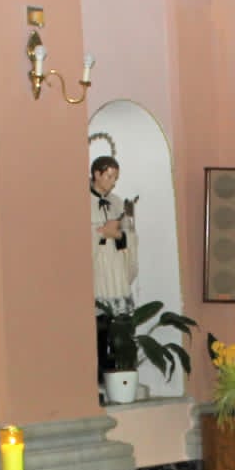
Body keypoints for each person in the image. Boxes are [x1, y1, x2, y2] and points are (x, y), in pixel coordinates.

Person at [90, 155, 138, 382]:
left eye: (115, 178)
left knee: (117, 332)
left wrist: (119, 235)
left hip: (115, 272)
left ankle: (115, 378)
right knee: (97, 332)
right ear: (96, 174)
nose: (113, 182)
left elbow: (129, 236)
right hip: (97, 274)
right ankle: (97, 379)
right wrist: (101, 233)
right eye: (109, 176)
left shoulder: (117, 202)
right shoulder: (80, 201)